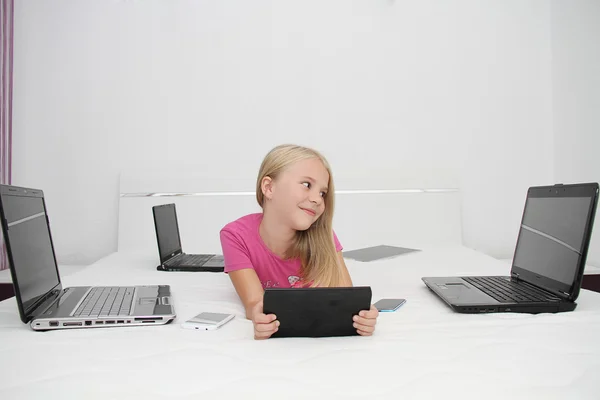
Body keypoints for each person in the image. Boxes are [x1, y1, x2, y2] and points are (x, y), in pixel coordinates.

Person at [219, 144, 379, 339]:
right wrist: (260, 318)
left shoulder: (324, 235)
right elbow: (254, 303)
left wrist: (362, 317)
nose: (318, 199)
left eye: (322, 193)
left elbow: (346, 300)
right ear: (269, 187)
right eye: (306, 185)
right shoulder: (235, 235)